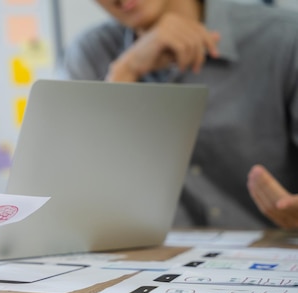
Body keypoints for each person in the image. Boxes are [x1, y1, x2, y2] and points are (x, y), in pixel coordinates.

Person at [64, 0, 298, 230]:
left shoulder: (284, 38)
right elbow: (72, 198)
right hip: (149, 258)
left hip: (274, 248)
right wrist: (124, 72)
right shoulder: (90, 54)